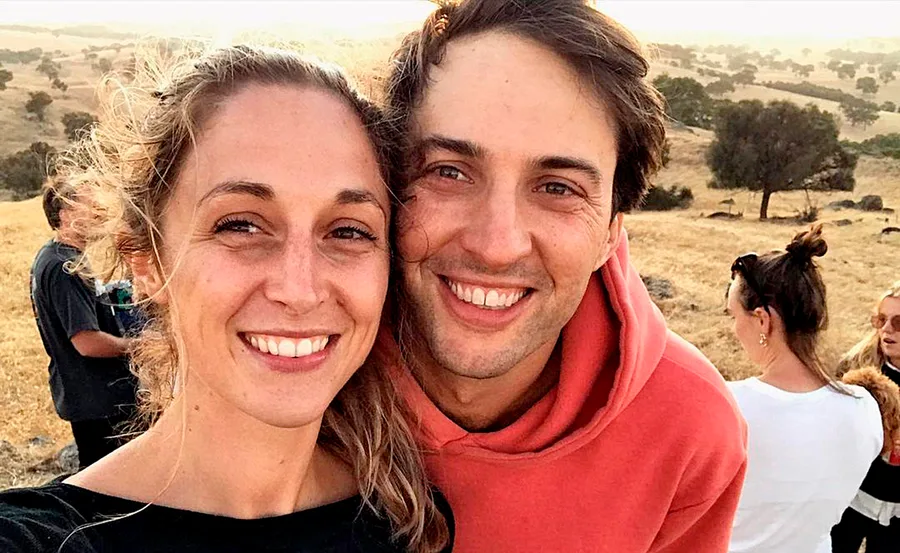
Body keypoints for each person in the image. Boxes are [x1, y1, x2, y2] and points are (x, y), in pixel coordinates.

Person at [1, 45, 451, 553]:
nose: (299, 290)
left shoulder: (409, 522)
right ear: (147, 261)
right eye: (240, 224)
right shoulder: (46, 540)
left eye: (348, 231)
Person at [380, 1, 748, 551]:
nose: (497, 246)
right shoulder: (301, 364)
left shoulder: (689, 429)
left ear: (610, 233)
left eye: (557, 188)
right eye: (448, 172)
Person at [723, 225, 883, 553]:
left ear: (762, 320)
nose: (733, 329)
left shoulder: (728, 405)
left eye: (733, 315)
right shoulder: (864, 408)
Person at [29, 178, 138, 469]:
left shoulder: (56, 256)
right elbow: (87, 343)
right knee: (113, 492)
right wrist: (139, 346)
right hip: (100, 401)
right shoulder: (65, 268)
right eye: (91, 206)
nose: (99, 213)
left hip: (90, 397)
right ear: (65, 214)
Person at [831, 282, 900, 553]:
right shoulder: (859, 369)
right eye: (881, 319)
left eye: (899, 322)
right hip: (852, 494)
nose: (886, 330)